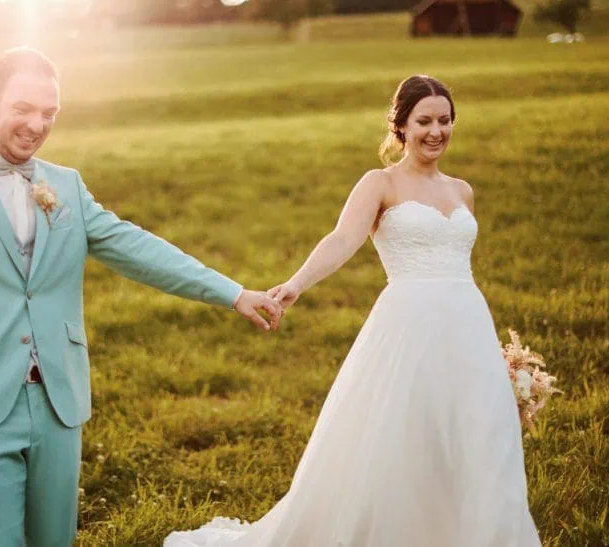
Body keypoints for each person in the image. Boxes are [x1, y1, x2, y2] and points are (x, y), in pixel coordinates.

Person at [0, 46, 283, 547]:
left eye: (50, 113)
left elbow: (137, 248)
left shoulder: (65, 184)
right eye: (23, 109)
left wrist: (232, 293)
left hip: (57, 399)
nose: (36, 125)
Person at [165, 75, 541, 546]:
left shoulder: (462, 191)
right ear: (401, 126)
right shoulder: (380, 183)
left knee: (478, 435)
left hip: (467, 323)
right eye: (424, 121)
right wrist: (297, 283)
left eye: (445, 121)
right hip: (407, 323)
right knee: (402, 434)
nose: (436, 132)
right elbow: (343, 239)